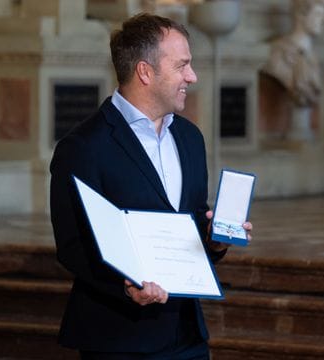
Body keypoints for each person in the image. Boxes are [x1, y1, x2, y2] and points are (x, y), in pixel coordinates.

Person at [50, 13, 252, 359]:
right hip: (118, 338)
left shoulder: (190, 138)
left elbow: (189, 222)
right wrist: (124, 287)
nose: (192, 76)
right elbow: (72, 245)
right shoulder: (83, 147)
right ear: (145, 72)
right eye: (182, 66)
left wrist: (215, 239)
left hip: (187, 336)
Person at [261, 0, 324, 107]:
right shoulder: (278, 52)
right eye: (318, 14)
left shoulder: (312, 57)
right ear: (301, 15)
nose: (323, 20)